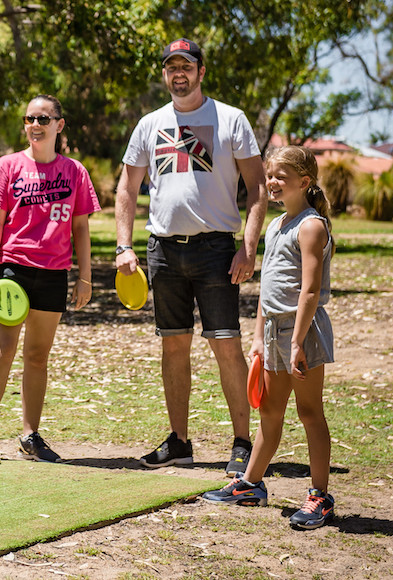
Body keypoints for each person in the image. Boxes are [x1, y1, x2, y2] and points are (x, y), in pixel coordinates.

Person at [115, 38, 267, 476]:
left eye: (187, 66)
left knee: (226, 346)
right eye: (171, 67)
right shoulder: (149, 124)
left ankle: (242, 442)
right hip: (162, 251)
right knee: (174, 346)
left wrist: (248, 247)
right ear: (165, 74)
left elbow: (256, 187)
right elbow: (127, 188)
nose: (178, 74)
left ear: (202, 71)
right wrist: (125, 246)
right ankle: (179, 442)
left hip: (216, 251)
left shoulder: (230, 119)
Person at [203, 146, 336, 529]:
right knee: (269, 411)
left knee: (310, 413)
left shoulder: (312, 226)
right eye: (270, 175)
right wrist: (260, 336)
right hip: (276, 332)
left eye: (281, 176)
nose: (273, 182)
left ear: (305, 182)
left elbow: (309, 292)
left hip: (303, 332)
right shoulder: (277, 225)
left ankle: (319, 497)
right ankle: (250, 485)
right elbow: (268, 288)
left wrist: (296, 342)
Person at [0, 94, 100, 464]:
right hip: (13, 270)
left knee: (37, 356)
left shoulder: (75, 171)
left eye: (44, 119)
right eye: (30, 119)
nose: (35, 125)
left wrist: (85, 277)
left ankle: (30, 436)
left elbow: (81, 227)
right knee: (3, 351)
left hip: (54, 273)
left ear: (59, 124)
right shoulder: (8, 166)